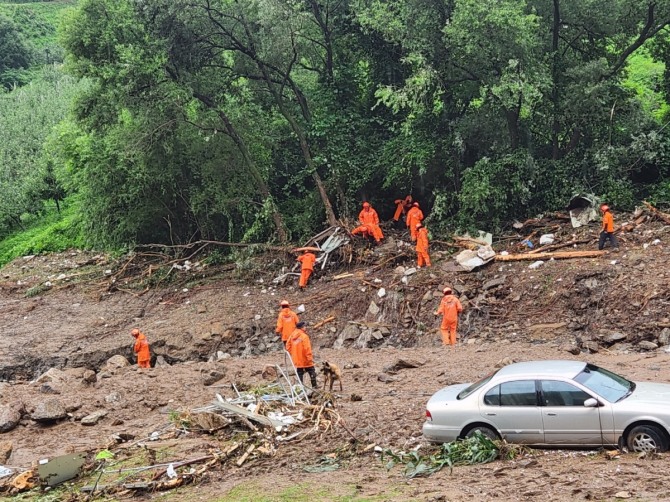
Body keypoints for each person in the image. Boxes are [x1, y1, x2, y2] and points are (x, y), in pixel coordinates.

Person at [286, 321, 317, 388]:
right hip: (305, 359)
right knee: (312, 371)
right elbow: (307, 349)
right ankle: (314, 386)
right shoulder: (304, 336)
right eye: (305, 326)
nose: (306, 328)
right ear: (302, 328)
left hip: (297, 359)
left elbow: (288, 346)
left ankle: (300, 388)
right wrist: (309, 358)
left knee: (299, 373)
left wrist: (294, 353)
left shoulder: (292, 335)